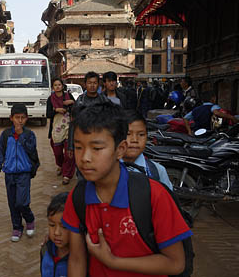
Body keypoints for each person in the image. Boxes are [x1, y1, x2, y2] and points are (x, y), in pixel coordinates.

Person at [62, 103, 192, 276]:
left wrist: (114, 262)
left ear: (120, 149)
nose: (85, 158)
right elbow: (77, 260)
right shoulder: (78, 197)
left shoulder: (154, 195)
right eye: (78, 147)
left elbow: (175, 263)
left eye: (97, 148)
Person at [0, 103, 37, 242]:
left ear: (27, 118)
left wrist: (21, 136)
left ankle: (29, 219)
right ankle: (17, 227)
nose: (20, 121)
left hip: (24, 172)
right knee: (12, 202)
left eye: (22, 118)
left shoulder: (29, 134)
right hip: (10, 173)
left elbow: (32, 150)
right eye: (17, 117)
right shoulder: (6, 134)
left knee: (22, 202)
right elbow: (0, 150)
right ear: (11, 118)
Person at [123, 110, 173, 190]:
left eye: (141, 135)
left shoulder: (157, 171)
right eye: (128, 134)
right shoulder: (106, 168)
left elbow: (167, 200)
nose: (135, 140)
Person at [68, 72, 109, 156]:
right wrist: (71, 146)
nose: (92, 85)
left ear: (99, 84)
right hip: (83, 140)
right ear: (85, 84)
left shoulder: (104, 101)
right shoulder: (80, 101)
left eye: (95, 83)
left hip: (99, 140)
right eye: (90, 83)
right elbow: (73, 124)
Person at [47, 78, 76, 185]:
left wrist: (72, 102)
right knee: (58, 153)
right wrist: (56, 110)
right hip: (56, 130)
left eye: (59, 84)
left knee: (70, 153)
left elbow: (77, 109)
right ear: (53, 87)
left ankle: (67, 175)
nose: (58, 86)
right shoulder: (50, 99)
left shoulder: (69, 96)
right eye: (55, 85)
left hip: (69, 129)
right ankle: (60, 165)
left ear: (62, 86)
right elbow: (47, 114)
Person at [40, 192, 70, 277]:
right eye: (52, 225)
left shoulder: (82, 260)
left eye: (64, 227)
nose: (56, 232)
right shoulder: (45, 249)